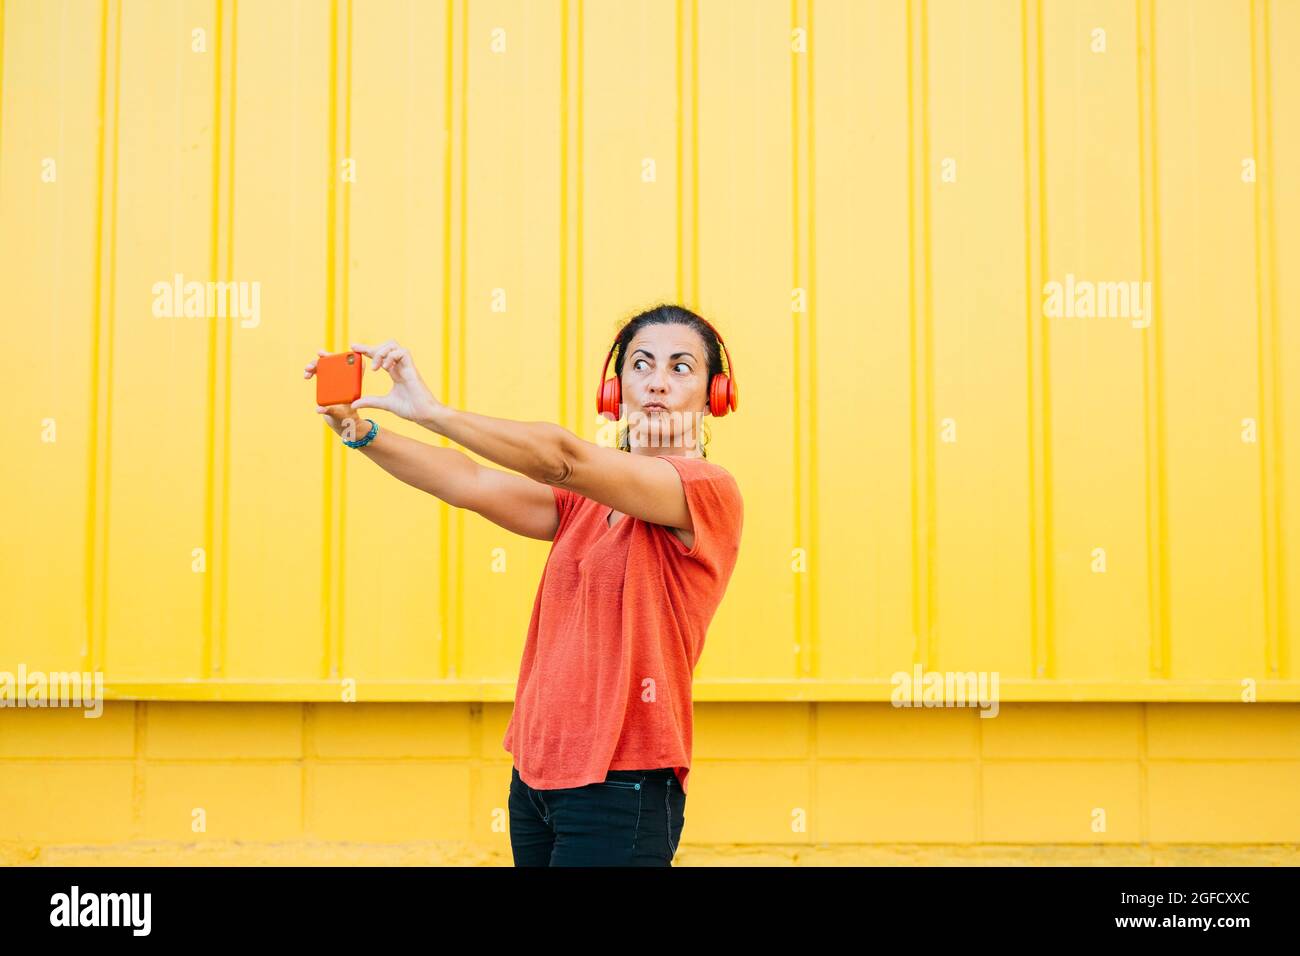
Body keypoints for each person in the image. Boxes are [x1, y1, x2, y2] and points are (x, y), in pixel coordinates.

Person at [304, 303, 744, 866]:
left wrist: (432, 412)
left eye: (681, 367)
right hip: (537, 774)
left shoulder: (706, 491)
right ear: (617, 389)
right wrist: (359, 430)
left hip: (622, 781)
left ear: (715, 394)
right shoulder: (585, 502)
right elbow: (467, 481)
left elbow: (561, 459)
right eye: (642, 364)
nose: (658, 382)